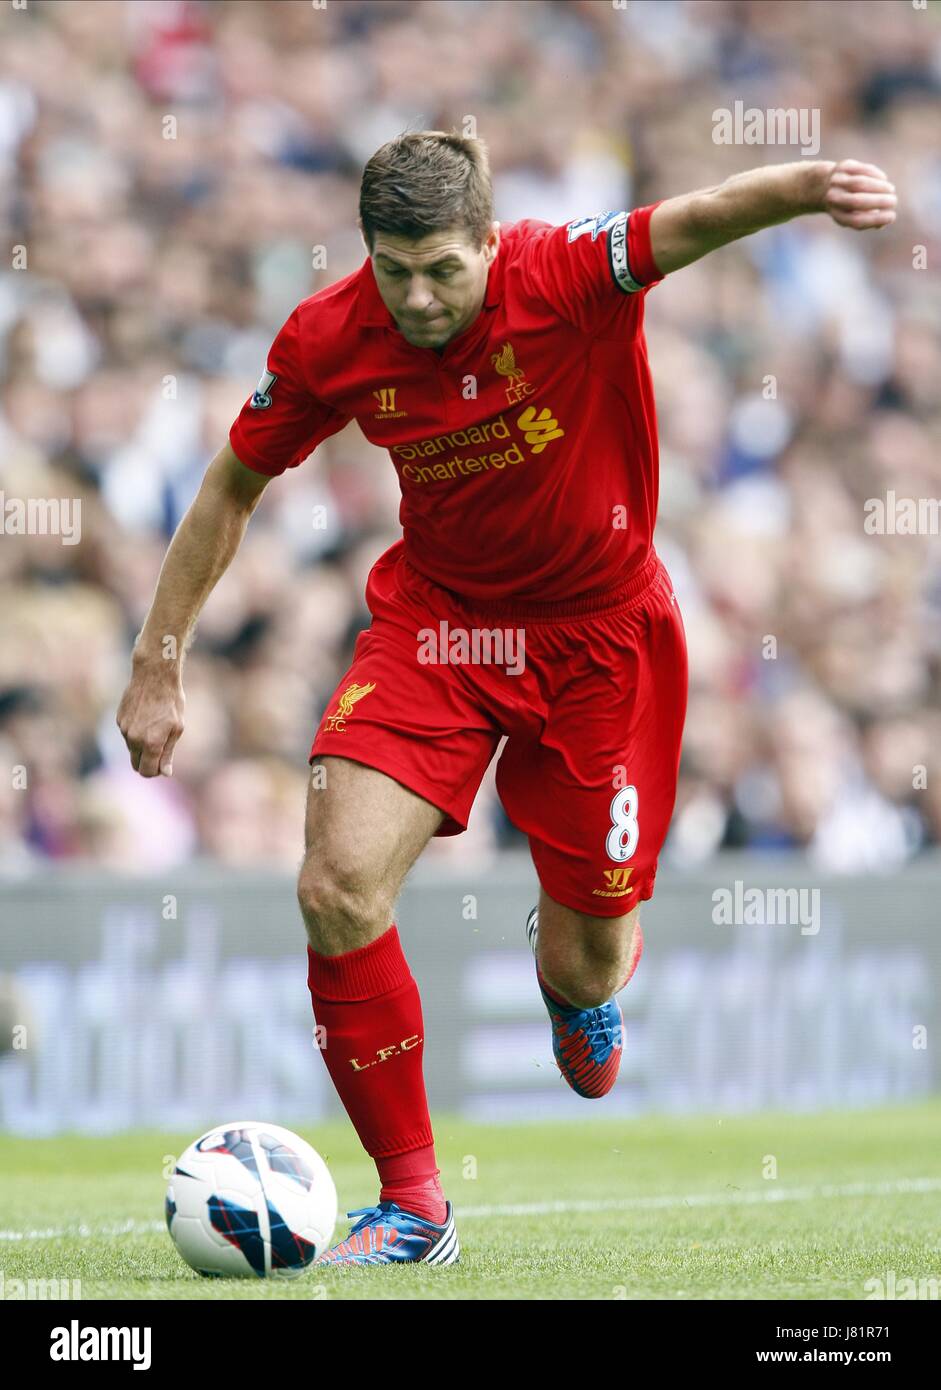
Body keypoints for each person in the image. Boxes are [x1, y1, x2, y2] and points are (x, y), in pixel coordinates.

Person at [117, 131, 896, 1267]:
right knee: (335, 886)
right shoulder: (329, 336)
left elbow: (700, 211)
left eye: (443, 267)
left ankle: (574, 977)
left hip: (602, 642)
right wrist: (157, 656)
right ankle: (414, 1204)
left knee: (586, 962)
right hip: (438, 627)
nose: (420, 296)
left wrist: (810, 187)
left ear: (490, 241)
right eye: (395, 269)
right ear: (366, 256)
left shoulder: (564, 271)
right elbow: (234, 481)